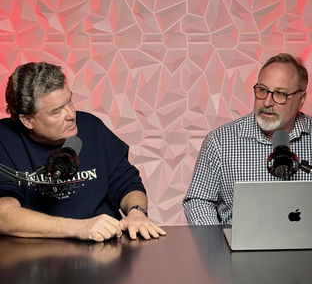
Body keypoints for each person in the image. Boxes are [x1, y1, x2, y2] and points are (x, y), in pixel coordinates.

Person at [0, 62, 166, 241]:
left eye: (69, 101)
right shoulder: (5, 140)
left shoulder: (92, 127)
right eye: (57, 112)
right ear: (27, 121)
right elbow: (4, 215)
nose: (71, 114)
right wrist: (79, 227)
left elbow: (127, 182)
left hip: (105, 255)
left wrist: (137, 213)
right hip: (36, 260)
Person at [183, 53, 312, 225]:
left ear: (301, 99)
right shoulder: (220, 141)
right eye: (262, 90)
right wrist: (216, 246)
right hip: (235, 251)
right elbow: (198, 201)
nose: (267, 102)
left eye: (280, 94)